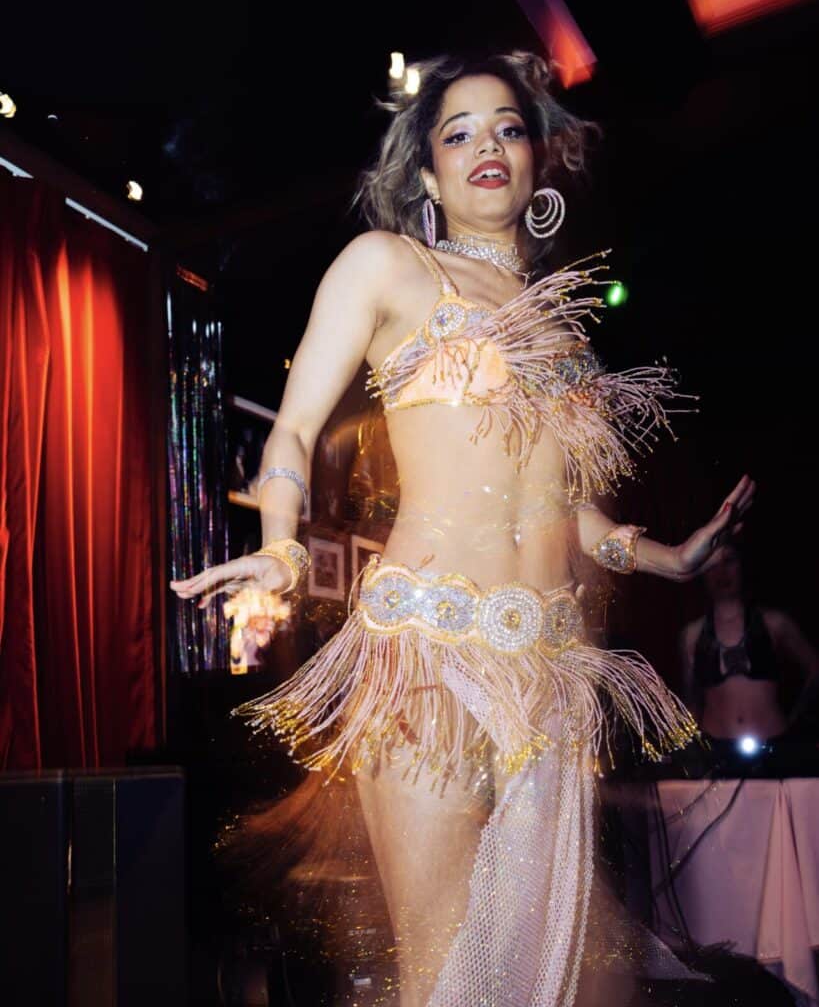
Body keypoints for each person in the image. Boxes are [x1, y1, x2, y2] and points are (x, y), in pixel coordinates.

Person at [171, 52, 754, 1006]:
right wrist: (281, 548)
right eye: (458, 132)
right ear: (427, 173)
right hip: (429, 659)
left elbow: (573, 516)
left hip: (550, 675)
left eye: (507, 128)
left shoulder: (565, 334)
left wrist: (667, 556)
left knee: (549, 971)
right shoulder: (389, 266)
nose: (486, 144)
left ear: (538, 164)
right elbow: (293, 431)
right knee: (444, 969)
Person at [680, 543, 819, 747]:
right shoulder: (691, 635)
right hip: (716, 747)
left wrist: (797, 720)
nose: (721, 572)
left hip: (772, 742)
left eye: (729, 561)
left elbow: (815, 669)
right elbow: (690, 699)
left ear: (742, 566)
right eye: (712, 565)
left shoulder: (775, 623)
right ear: (702, 572)